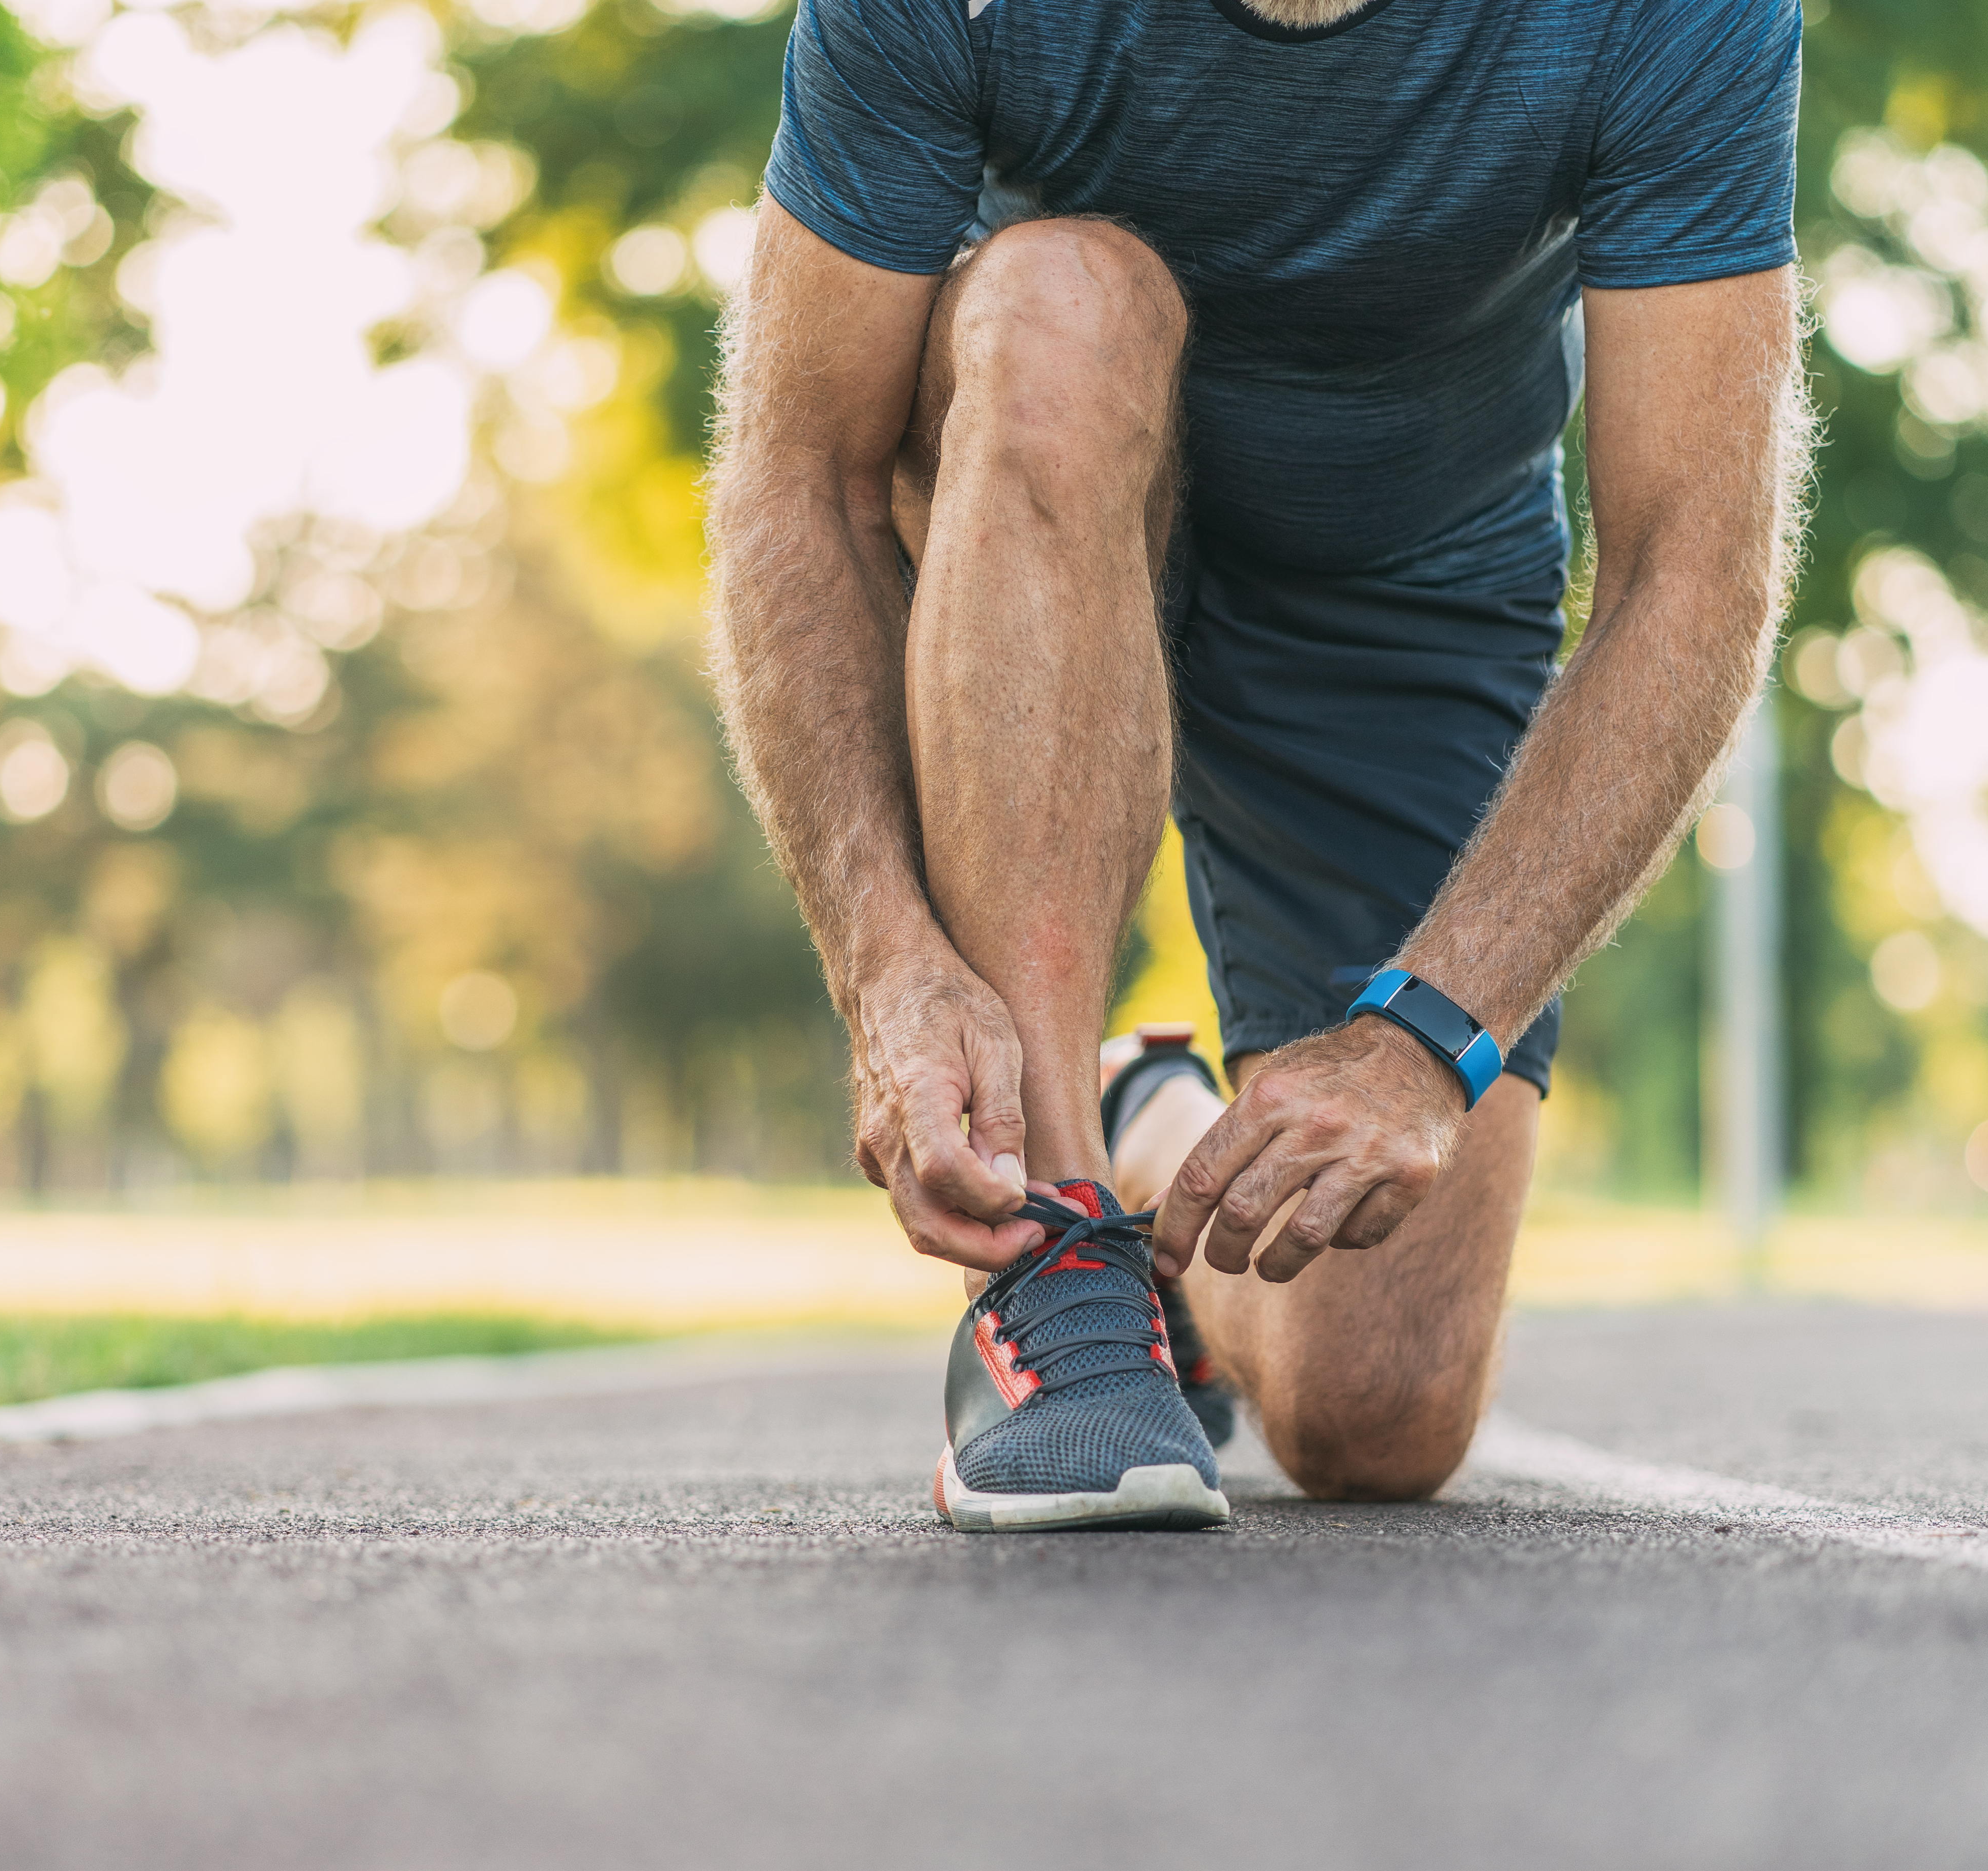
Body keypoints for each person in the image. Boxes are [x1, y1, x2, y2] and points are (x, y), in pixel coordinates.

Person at [708, 0, 1812, 1529]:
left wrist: (1429, 1039)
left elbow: (1694, 568)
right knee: (1060, 303)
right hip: (1048, 481)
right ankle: (1064, 1249)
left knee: (1382, 1420)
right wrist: (884, 962)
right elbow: (798, 473)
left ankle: (1150, 1118)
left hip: (1407, 584)